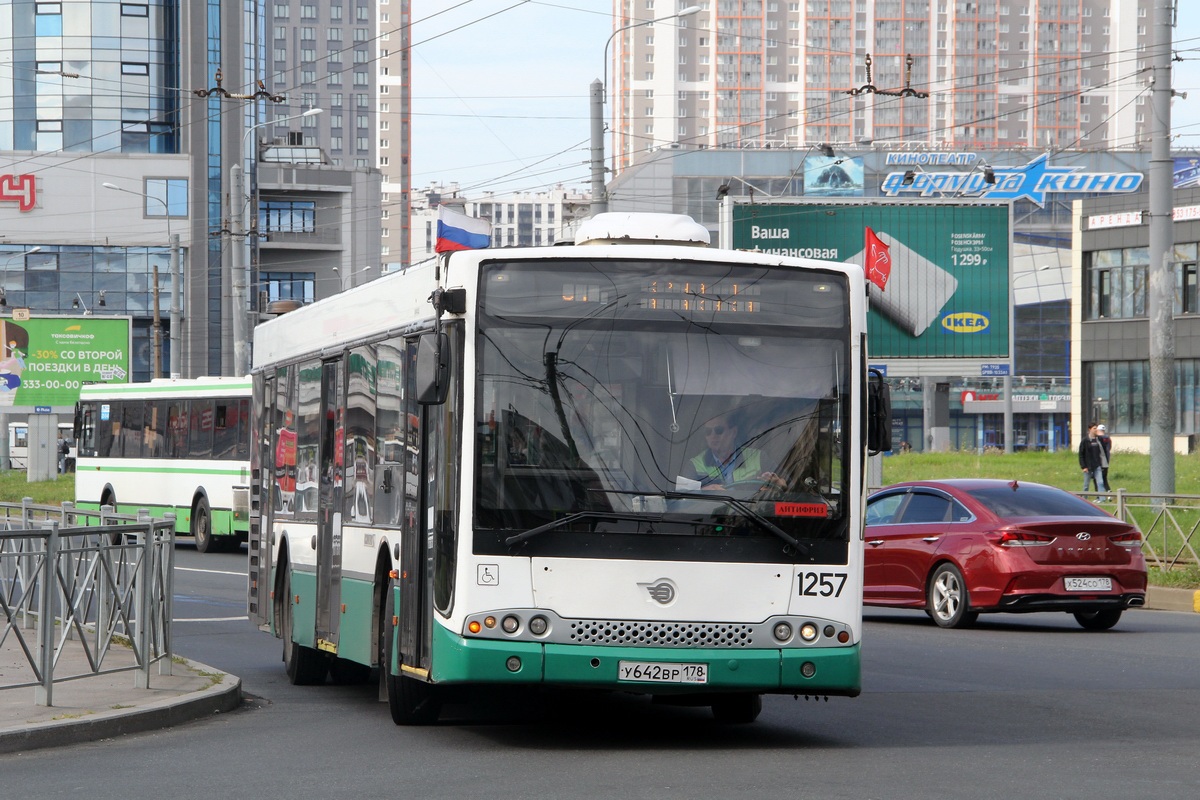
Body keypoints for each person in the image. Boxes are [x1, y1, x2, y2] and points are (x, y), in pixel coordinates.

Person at [685, 411, 785, 492]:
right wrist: (704, 491)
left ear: (733, 432)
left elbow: (790, 486)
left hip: (752, 513)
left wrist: (778, 483)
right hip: (709, 515)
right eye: (708, 432)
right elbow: (681, 498)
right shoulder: (695, 464)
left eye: (718, 430)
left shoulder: (758, 457)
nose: (713, 436)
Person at [1078, 422, 1106, 495]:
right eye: (1094, 428)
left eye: (1096, 428)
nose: (1096, 430)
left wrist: (1103, 463)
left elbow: (1103, 452)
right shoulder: (1085, 440)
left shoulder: (1099, 439)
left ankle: (1102, 499)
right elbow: (1081, 454)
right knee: (1086, 485)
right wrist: (1083, 466)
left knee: (1100, 482)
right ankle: (1084, 499)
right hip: (1088, 466)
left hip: (1097, 465)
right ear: (1090, 429)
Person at [1096, 423, 1112, 492]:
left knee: (1098, 478)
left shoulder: (1098, 439)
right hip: (1106, 460)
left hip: (1099, 461)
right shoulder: (1108, 439)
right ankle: (1108, 491)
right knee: (1104, 477)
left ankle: (1101, 494)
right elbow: (1109, 449)